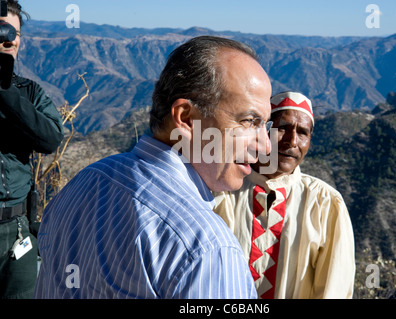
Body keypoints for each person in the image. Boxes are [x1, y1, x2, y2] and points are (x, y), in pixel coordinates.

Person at [34, 36, 273, 299]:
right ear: (187, 118)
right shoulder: (206, 247)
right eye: (249, 121)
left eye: (265, 124)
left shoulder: (84, 182)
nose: (265, 147)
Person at [213, 91, 355, 299]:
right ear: (262, 131)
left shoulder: (324, 203)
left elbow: (335, 289)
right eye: (282, 128)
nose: (292, 141)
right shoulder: (222, 190)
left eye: (303, 133)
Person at [0, 0, 64, 299]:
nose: (8, 38)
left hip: (16, 228)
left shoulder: (28, 92)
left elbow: (49, 140)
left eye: (14, 32)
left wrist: (6, 93)